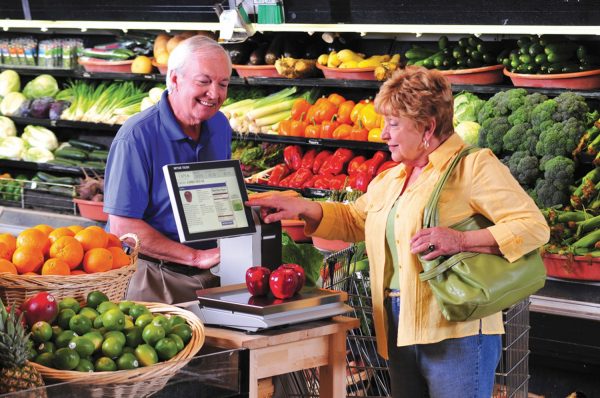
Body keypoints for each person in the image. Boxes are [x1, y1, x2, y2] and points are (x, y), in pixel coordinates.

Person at [247, 66, 550, 397]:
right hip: (396, 325)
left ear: (426, 127)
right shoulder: (394, 178)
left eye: (393, 124)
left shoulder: (472, 167)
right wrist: (304, 207)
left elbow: (532, 226)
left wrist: (461, 240)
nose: (383, 135)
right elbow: (355, 219)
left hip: (455, 328)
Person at [103, 35, 232, 304]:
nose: (215, 94)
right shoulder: (137, 137)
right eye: (204, 81)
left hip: (214, 270)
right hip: (153, 276)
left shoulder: (219, 125)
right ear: (174, 79)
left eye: (223, 84)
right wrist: (195, 257)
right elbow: (122, 226)